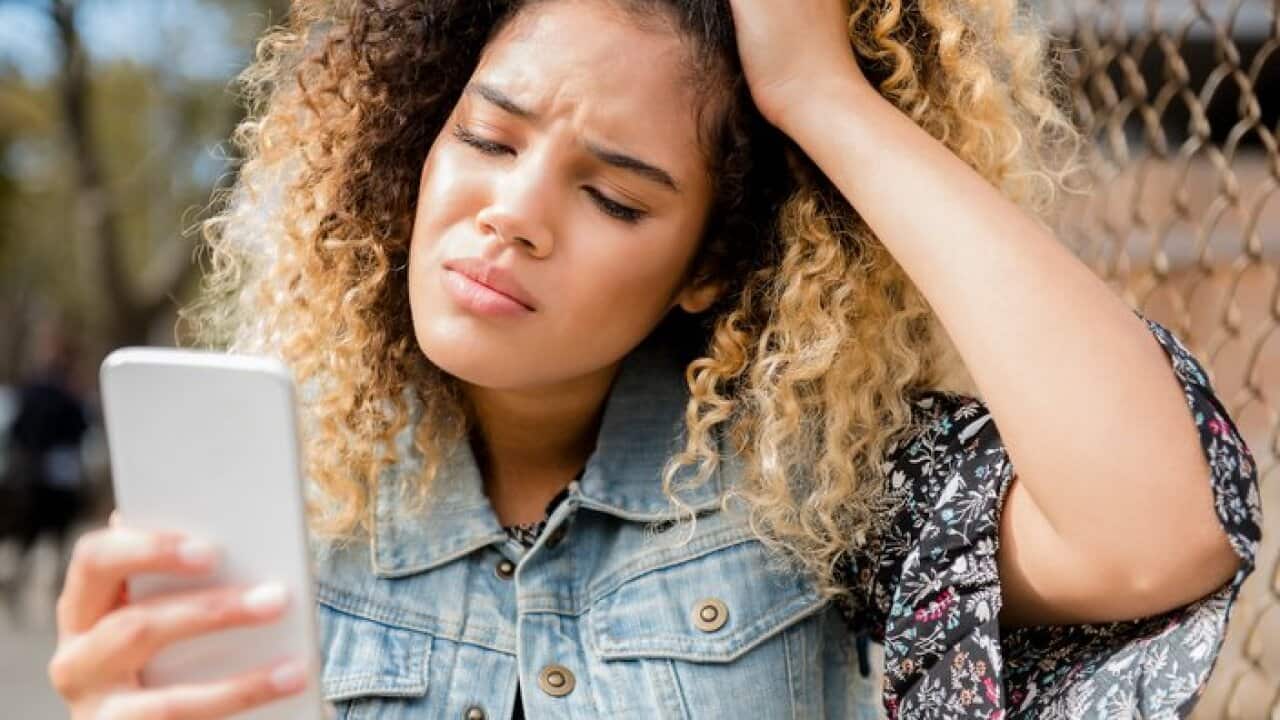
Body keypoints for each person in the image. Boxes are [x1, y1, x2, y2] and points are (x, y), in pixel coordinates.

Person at [48, 0, 1261, 718]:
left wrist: (820, 96)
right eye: (486, 139)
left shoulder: (812, 492)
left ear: (708, 265)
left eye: (615, 199)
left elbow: (1159, 532)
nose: (512, 214)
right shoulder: (286, 494)